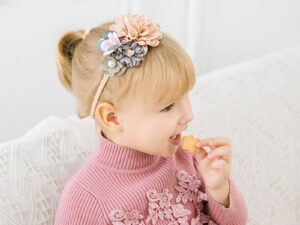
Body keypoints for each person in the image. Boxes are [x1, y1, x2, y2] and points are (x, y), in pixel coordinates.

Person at [54, 12, 248, 225]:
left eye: (186, 97)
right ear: (112, 118)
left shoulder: (188, 157)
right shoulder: (85, 200)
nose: (189, 115)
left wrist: (219, 190)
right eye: (168, 107)